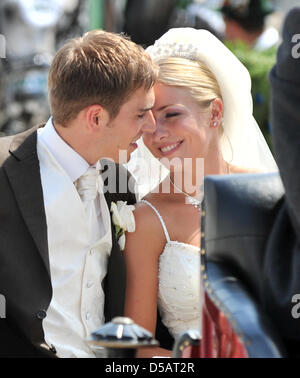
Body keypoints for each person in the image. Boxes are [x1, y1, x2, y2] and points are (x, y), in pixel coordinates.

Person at [0, 30, 158, 358]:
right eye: (141, 114)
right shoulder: (3, 171)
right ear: (96, 118)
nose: (152, 125)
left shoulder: (120, 182)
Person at [124, 27, 277, 357]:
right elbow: (141, 351)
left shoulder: (267, 193)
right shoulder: (147, 219)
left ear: (216, 112)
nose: (158, 134)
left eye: (172, 115)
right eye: (147, 122)